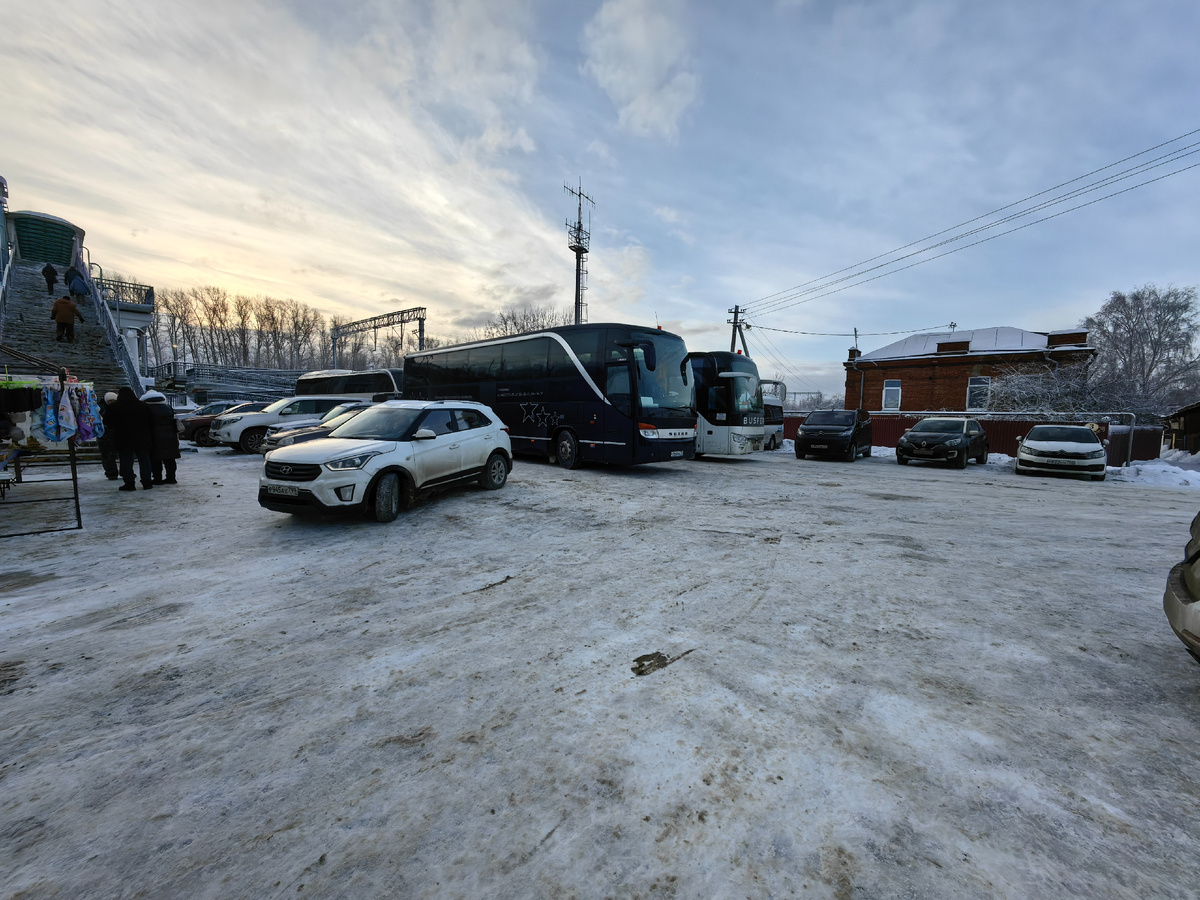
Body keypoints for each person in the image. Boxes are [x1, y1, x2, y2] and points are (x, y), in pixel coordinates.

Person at [105, 386, 154, 491]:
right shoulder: (144, 406)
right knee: (144, 460)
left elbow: (107, 422)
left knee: (126, 461)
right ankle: (147, 482)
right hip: (142, 438)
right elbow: (152, 421)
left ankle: (129, 483)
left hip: (123, 438)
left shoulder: (114, 407)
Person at [141, 390, 181, 484]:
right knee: (170, 459)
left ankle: (157, 478)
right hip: (170, 437)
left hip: (154, 437)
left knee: (155, 459)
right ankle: (171, 477)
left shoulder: (146, 409)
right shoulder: (168, 408)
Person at [97, 392, 120, 480]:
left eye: (113, 401)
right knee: (108, 455)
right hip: (106, 435)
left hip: (115, 434)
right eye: (109, 401)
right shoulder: (102, 409)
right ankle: (111, 472)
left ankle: (119, 471)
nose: (111, 403)